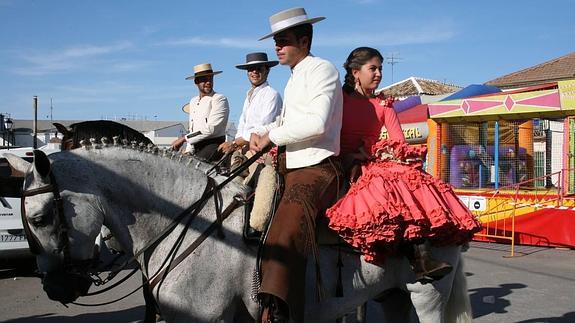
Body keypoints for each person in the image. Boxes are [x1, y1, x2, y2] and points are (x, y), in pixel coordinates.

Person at [325, 47, 482, 282]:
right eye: (373, 68)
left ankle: (420, 256)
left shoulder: (384, 104)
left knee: (405, 174)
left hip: (368, 160)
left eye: (379, 68)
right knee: (387, 178)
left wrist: (374, 153)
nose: (378, 73)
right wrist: (346, 155)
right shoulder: (339, 99)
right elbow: (326, 130)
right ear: (356, 72)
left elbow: (398, 142)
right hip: (338, 159)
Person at [250, 7, 343, 323]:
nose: (277, 47)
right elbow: (288, 120)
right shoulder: (294, 78)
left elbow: (316, 123)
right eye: (276, 41)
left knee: (286, 225)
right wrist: (263, 134)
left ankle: (279, 311)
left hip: (317, 167)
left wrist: (271, 136)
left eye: (283, 41)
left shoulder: (323, 70)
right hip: (289, 166)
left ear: (304, 40)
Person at [218, 52, 282, 173]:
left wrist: (235, 143)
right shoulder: (249, 95)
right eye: (251, 69)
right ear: (247, 72)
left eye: (259, 69)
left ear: (267, 71)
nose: (254, 72)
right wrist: (236, 145)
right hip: (244, 146)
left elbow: (262, 127)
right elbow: (242, 123)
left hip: (261, 147)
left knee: (249, 178)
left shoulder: (271, 94)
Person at [171, 63, 230, 162]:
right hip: (196, 146)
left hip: (213, 145)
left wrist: (183, 139)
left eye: (210, 79)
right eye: (204, 79)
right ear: (196, 81)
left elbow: (211, 129)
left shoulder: (219, 99)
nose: (208, 82)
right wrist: (188, 150)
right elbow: (192, 129)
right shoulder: (193, 101)